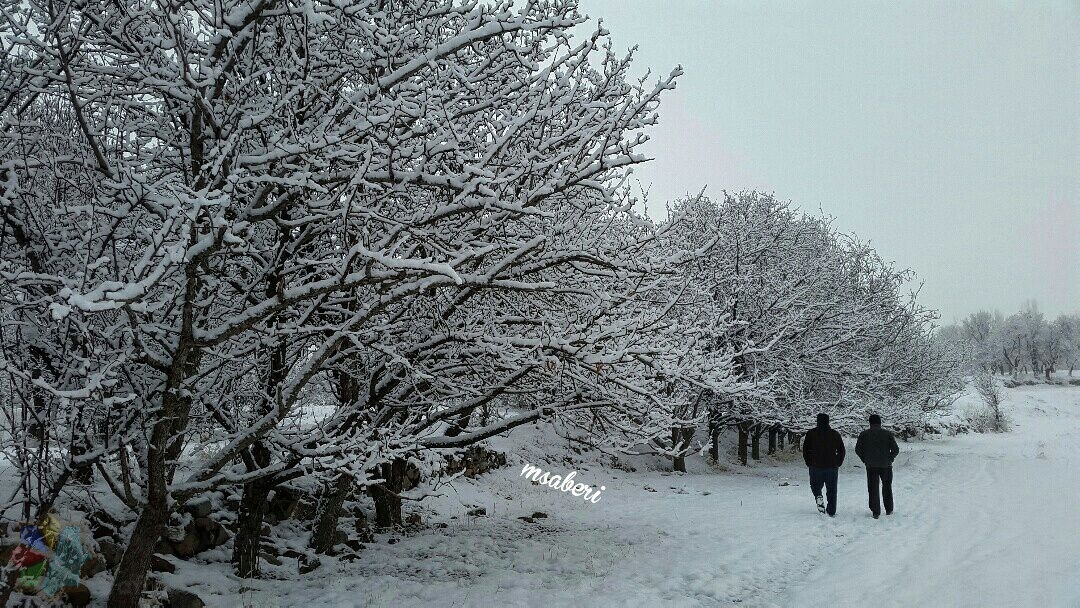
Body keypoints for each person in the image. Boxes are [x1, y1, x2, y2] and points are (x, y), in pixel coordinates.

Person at [855, 414, 900, 519]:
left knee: (873, 488)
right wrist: (890, 458)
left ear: (870, 422)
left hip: (871, 466)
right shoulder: (887, 434)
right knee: (887, 487)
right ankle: (889, 509)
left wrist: (865, 459)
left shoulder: (864, 434)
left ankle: (875, 511)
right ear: (880, 422)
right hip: (886, 465)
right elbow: (896, 449)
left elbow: (858, 449)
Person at [802, 413, 845, 516]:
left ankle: (818, 496)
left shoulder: (811, 434)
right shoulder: (834, 434)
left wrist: (808, 462)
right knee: (832, 489)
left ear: (817, 421)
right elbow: (841, 450)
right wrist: (838, 462)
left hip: (815, 465)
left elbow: (805, 450)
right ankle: (831, 510)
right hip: (831, 466)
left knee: (815, 485)